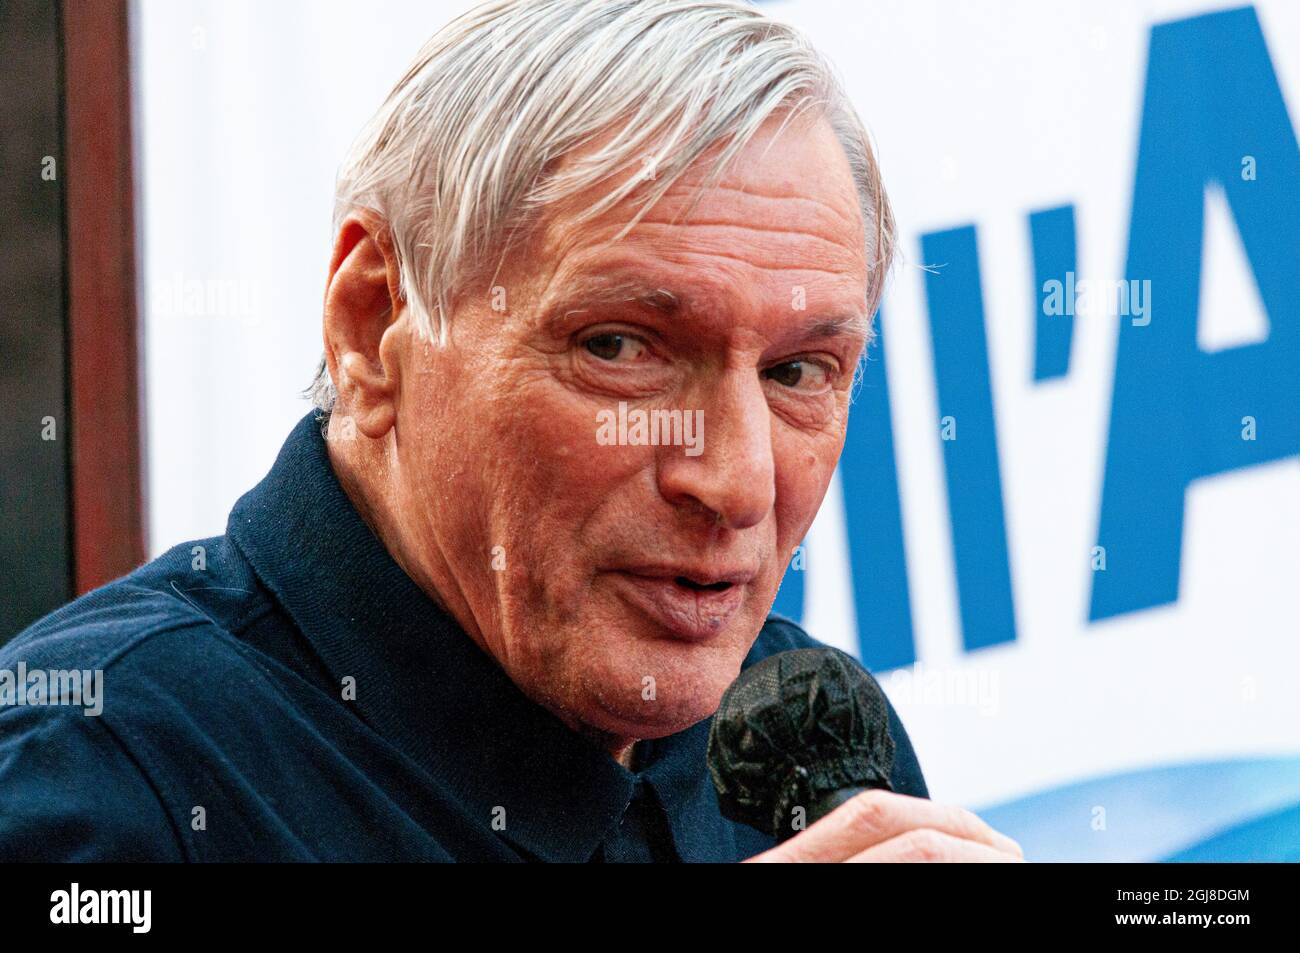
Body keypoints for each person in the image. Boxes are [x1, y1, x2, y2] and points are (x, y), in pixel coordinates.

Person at [0, 0, 1021, 862]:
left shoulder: (805, 739)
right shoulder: (94, 771)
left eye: (798, 370)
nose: (739, 482)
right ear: (372, 324)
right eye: (622, 347)